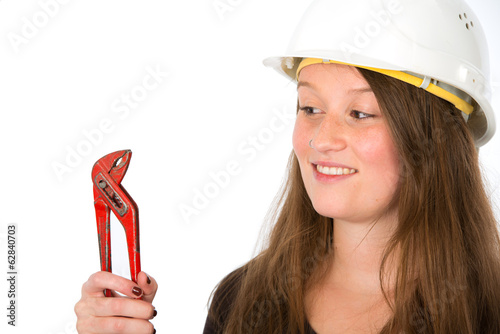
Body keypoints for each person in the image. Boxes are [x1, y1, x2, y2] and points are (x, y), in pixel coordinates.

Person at [75, 0, 500, 333]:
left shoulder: (488, 311)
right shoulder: (242, 301)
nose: (320, 139)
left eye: (360, 113)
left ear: (436, 137)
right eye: (310, 107)